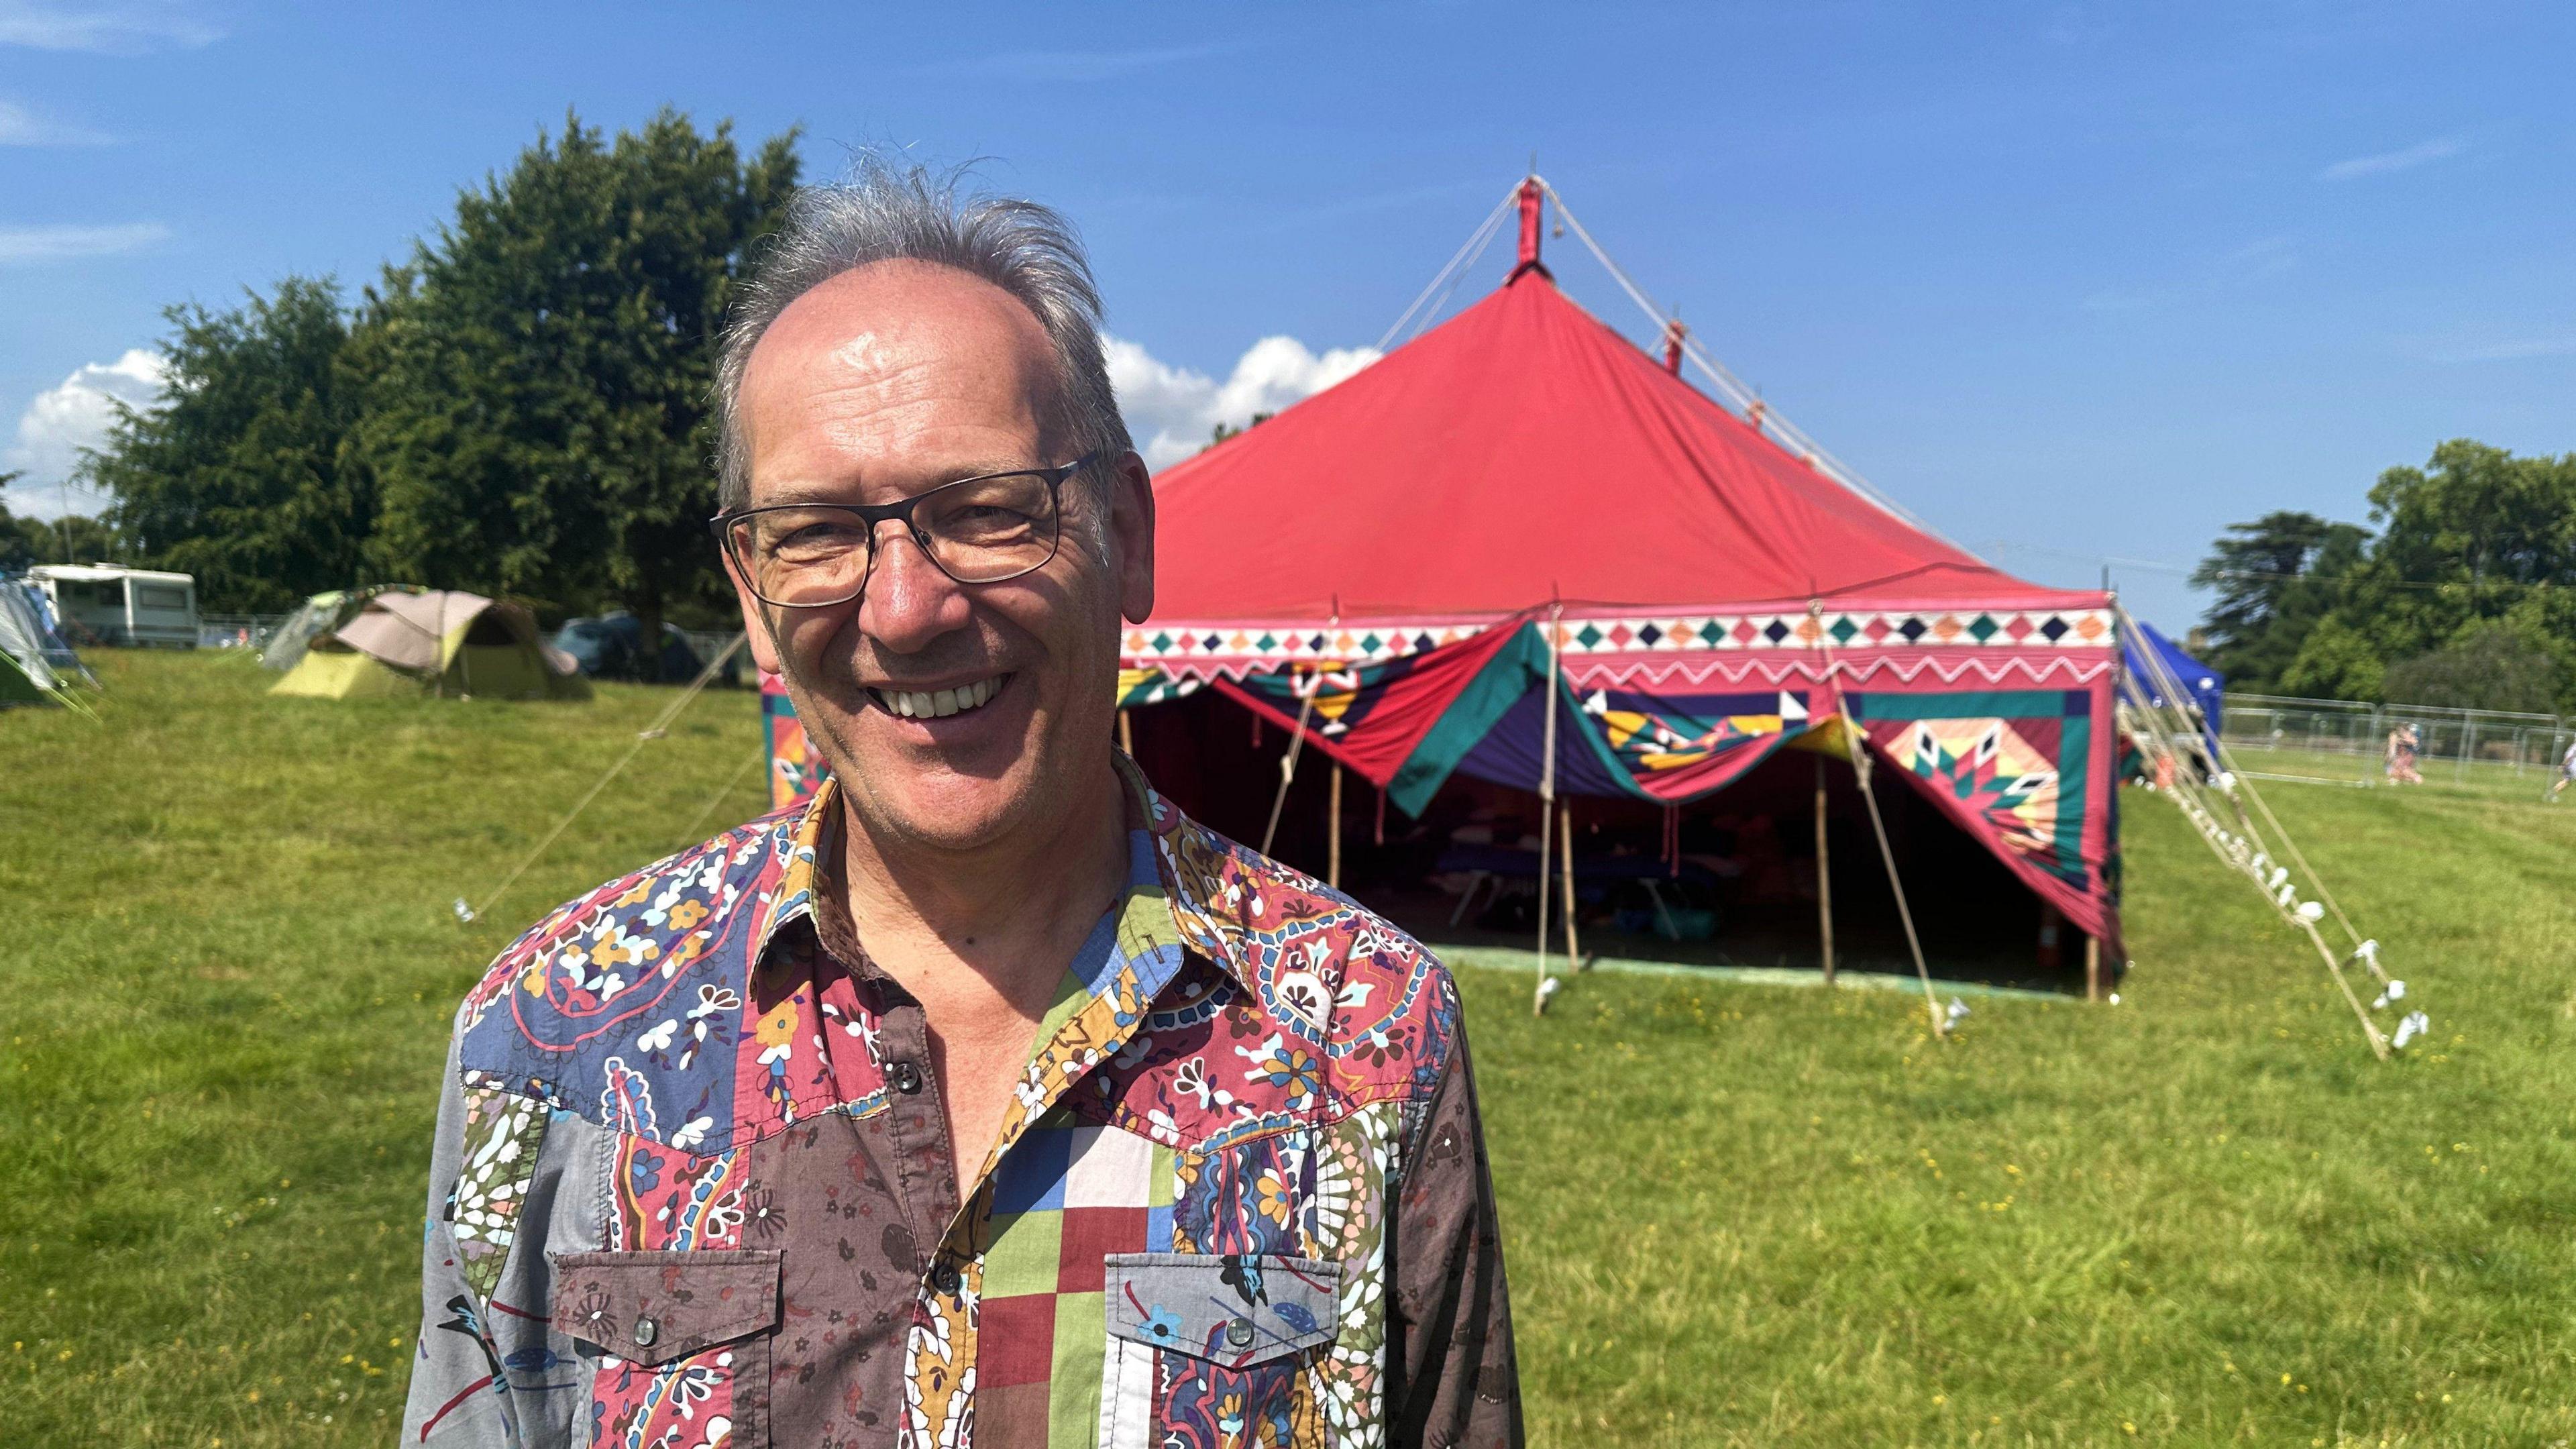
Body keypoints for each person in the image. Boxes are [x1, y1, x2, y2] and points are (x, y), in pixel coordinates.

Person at [400, 160, 1521, 1449]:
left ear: (1127, 536)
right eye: (816, 532)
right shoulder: (552, 1044)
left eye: (988, 513)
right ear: (753, 593)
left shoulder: (1371, 1040)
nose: (904, 610)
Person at [2385, 721, 2422, 785]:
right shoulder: (2395, 736)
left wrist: (2404, 741)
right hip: (2402, 757)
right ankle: (2405, 777)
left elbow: (2414, 744)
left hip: (2407, 756)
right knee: (2395, 772)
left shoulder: (2411, 740)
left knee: (2404, 771)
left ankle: (2415, 777)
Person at [2548, 736, 2576, 803]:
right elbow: (2569, 757)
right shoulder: (2575, 747)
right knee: (2567, 781)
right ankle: (2552, 794)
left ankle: (2553, 793)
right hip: (2571, 767)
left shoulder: (2573, 746)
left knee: (2566, 781)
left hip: (2569, 766)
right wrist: (2563, 765)